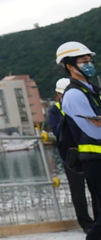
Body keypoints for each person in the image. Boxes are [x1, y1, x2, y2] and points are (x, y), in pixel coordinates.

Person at [57, 41, 101, 239]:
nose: (89, 64)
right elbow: (95, 128)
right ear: (70, 66)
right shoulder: (74, 94)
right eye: (84, 61)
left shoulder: (93, 89)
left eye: (89, 60)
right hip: (94, 159)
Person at [48, 77, 97, 233]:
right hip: (71, 156)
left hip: (90, 152)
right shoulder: (55, 110)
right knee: (78, 191)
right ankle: (86, 224)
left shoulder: (84, 103)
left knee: (96, 190)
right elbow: (57, 132)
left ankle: (98, 223)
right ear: (58, 95)